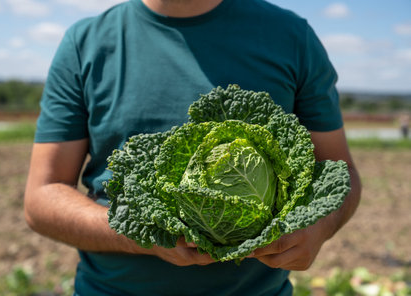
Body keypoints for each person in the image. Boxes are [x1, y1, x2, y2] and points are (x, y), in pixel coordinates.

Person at [24, 0, 362, 295]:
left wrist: (319, 226)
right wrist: (142, 235)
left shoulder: (291, 37)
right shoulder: (86, 43)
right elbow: (42, 196)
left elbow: (338, 172)